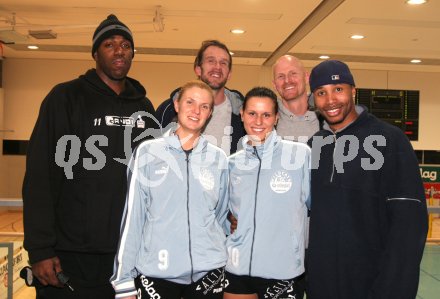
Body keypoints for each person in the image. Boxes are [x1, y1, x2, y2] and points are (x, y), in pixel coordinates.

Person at [22, 14, 157, 298]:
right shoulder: (65, 98)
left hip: (125, 253)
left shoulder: (144, 107)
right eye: (109, 44)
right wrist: (40, 249)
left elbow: (155, 178)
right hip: (70, 254)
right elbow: (40, 175)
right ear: (95, 53)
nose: (119, 51)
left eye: (125, 45)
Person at [306, 60, 428, 299]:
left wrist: (392, 289)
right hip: (322, 285)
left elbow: (409, 226)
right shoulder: (315, 145)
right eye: (321, 93)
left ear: (353, 90)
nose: (330, 100)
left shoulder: (390, 140)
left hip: (373, 286)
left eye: (338, 89)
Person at [111, 80, 229, 299]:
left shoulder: (218, 159)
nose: (196, 111)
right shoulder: (148, 153)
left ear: (210, 113)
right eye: (190, 102)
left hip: (209, 272)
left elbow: (220, 217)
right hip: (158, 274)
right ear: (177, 104)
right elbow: (133, 220)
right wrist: (124, 279)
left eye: (204, 106)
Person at [223, 87, 311, 299]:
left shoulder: (299, 157)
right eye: (252, 113)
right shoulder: (232, 163)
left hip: (283, 269)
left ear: (276, 118)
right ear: (242, 114)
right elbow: (221, 211)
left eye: (266, 115)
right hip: (237, 266)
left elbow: (315, 208)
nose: (258, 121)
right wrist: (228, 220)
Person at [155, 40, 245, 155]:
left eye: (223, 63)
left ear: (229, 74)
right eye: (211, 61)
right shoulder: (169, 109)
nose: (217, 66)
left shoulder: (243, 114)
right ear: (198, 69)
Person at [272, 55, 321, 142]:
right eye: (281, 76)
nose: (287, 80)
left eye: (293, 74)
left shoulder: (327, 113)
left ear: (306, 78)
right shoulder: (266, 117)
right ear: (274, 84)